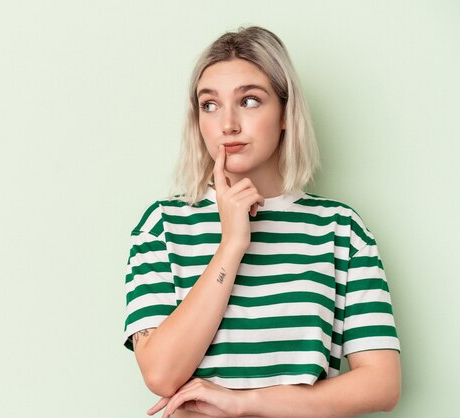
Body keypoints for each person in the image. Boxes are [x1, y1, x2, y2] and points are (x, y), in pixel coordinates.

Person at [123, 26, 401, 418]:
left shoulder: (340, 230)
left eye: (250, 101)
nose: (228, 124)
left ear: (286, 114)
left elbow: (381, 384)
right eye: (210, 105)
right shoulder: (163, 226)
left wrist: (245, 403)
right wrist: (232, 244)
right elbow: (161, 373)